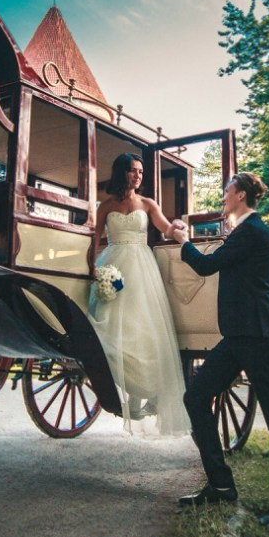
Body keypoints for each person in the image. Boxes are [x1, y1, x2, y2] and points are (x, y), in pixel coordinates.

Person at [169, 172, 269, 531]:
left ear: (241, 195)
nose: (223, 197)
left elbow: (205, 265)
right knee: (196, 396)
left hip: (258, 338)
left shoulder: (253, 232)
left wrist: (183, 239)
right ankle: (221, 484)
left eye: (227, 192)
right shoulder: (257, 235)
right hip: (240, 337)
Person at [89, 153, 190, 437]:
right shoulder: (105, 206)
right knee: (110, 324)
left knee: (141, 328)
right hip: (112, 268)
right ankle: (124, 389)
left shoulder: (148, 204)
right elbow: (94, 240)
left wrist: (177, 227)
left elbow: (166, 228)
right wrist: (91, 269)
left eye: (141, 172)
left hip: (141, 269)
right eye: (133, 171)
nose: (138, 176)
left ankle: (144, 394)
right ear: (121, 172)